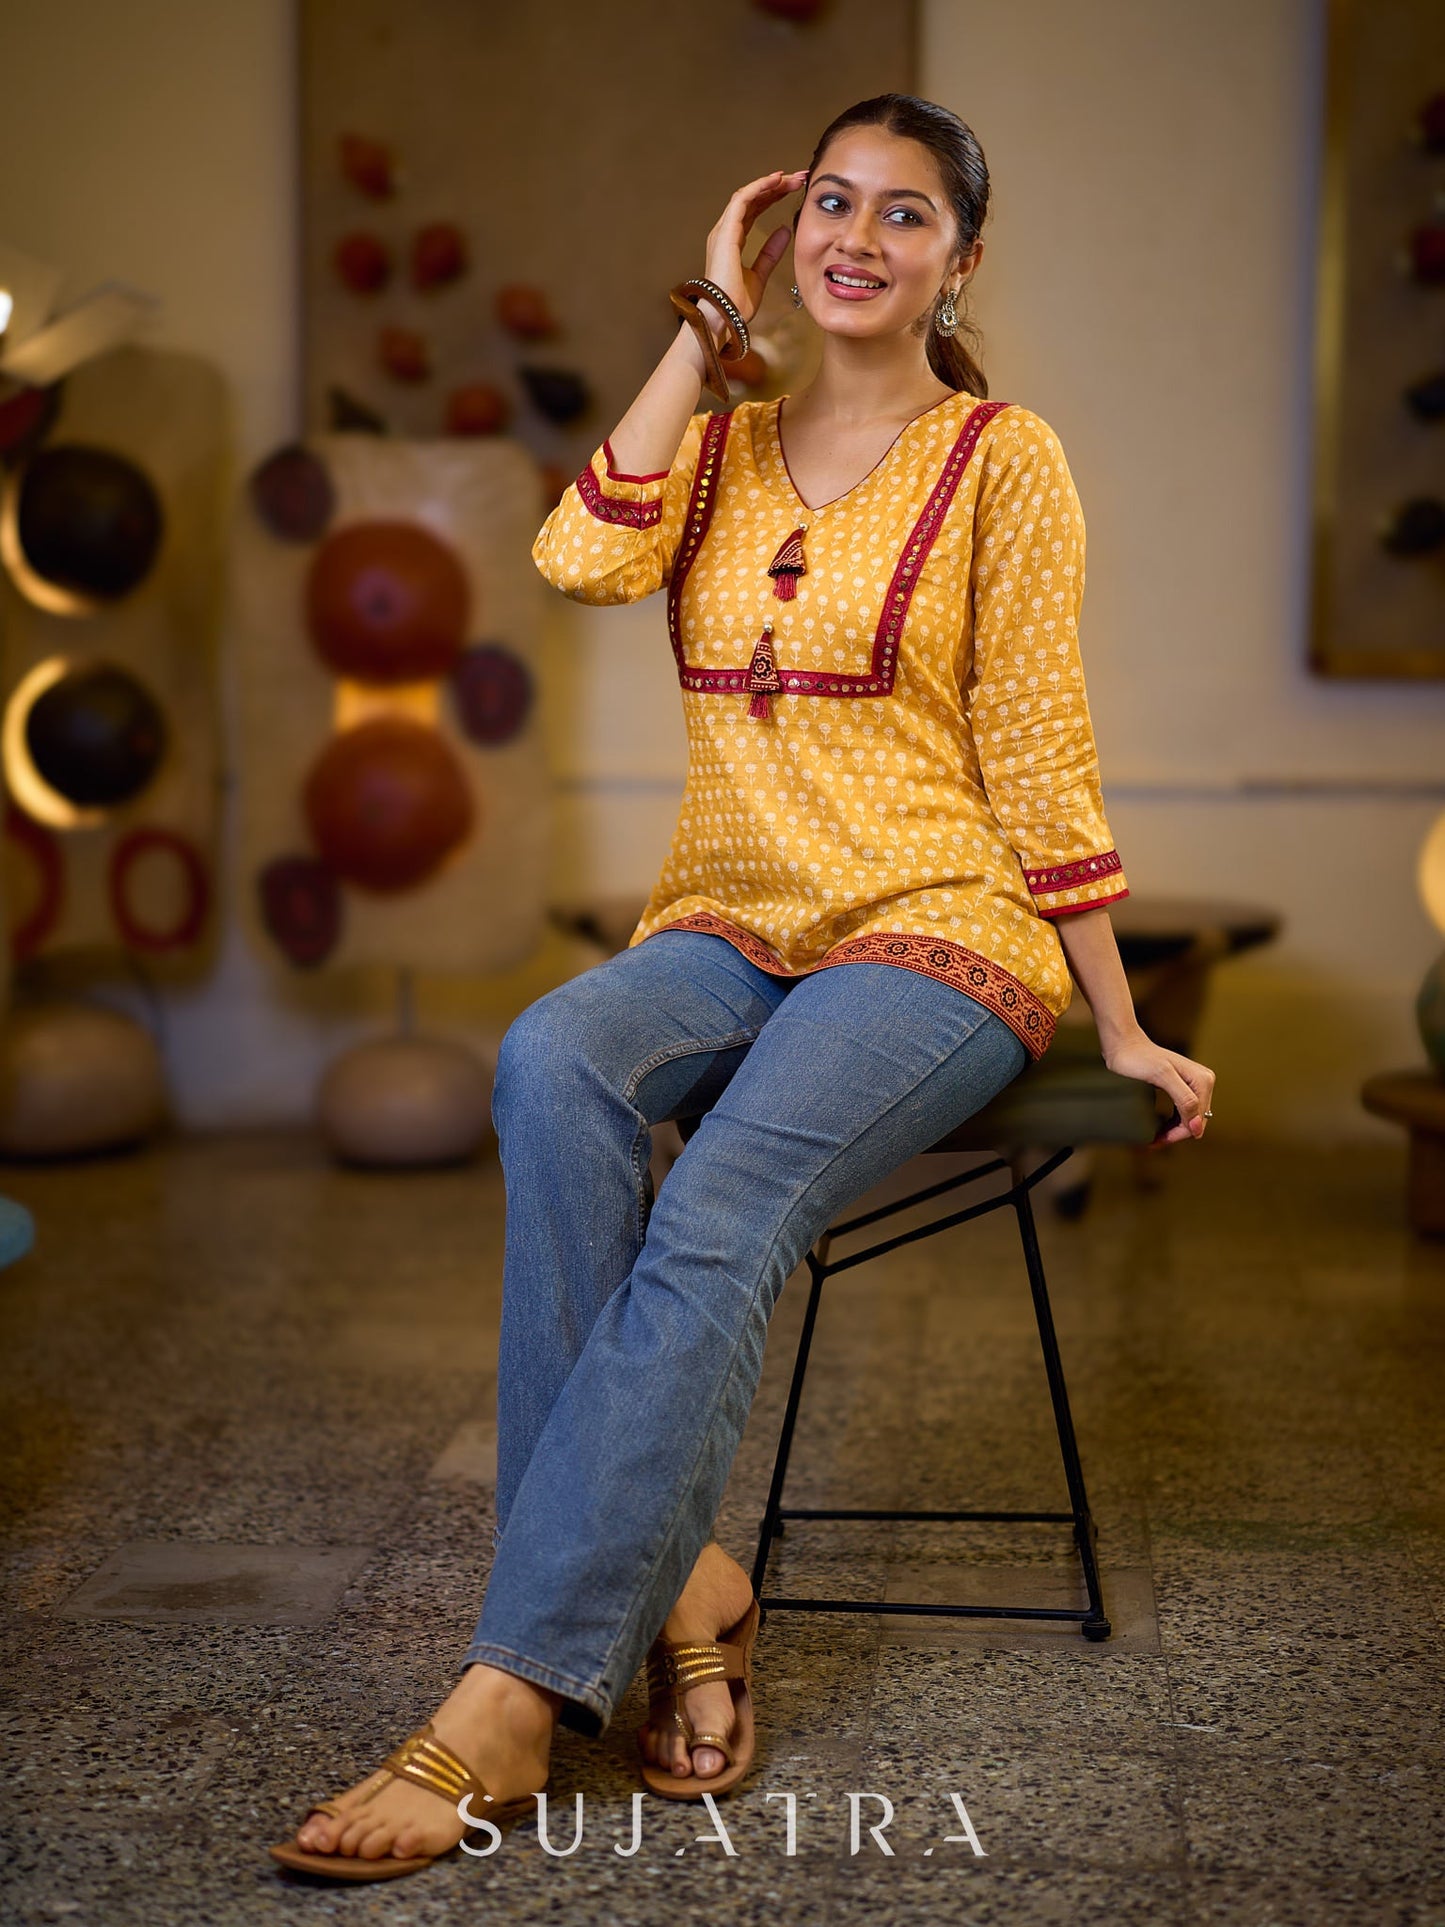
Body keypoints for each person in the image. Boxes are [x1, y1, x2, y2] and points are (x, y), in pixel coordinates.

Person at [269, 92, 1215, 1882]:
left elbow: (1036, 746)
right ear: (781, 236)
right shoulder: (714, 445)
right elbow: (573, 556)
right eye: (828, 204)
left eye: (906, 214)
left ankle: (514, 1690)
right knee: (551, 1061)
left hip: (938, 928)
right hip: (728, 919)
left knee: (719, 1202)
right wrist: (706, 329)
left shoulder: (1002, 457)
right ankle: (689, 1574)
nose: (859, 238)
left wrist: (1116, 1014)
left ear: (961, 261)